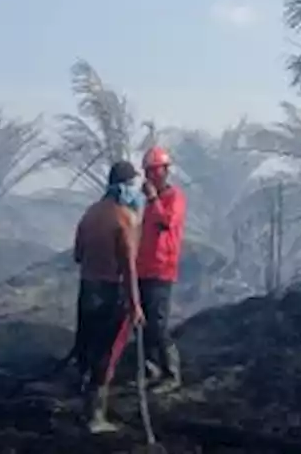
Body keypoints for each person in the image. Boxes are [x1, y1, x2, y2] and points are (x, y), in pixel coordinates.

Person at [73, 159, 146, 434]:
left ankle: (84, 407)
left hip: (87, 288)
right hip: (110, 292)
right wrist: (135, 304)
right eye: (132, 185)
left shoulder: (90, 213)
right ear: (123, 187)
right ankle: (96, 417)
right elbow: (128, 266)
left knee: (87, 346)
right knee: (107, 353)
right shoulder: (124, 218)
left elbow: (77, 254)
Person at [137, 144, 187, 392]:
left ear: (165, 171)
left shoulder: (173, 197)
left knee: (158, 324)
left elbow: (167, 222)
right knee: (143, 323)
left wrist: (154, 199)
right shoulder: (148, 203)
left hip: (161, 270)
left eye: (154, 171)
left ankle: (171, 373)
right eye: (148, 172)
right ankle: (151, 369)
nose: (150, 177)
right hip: (143, 269)